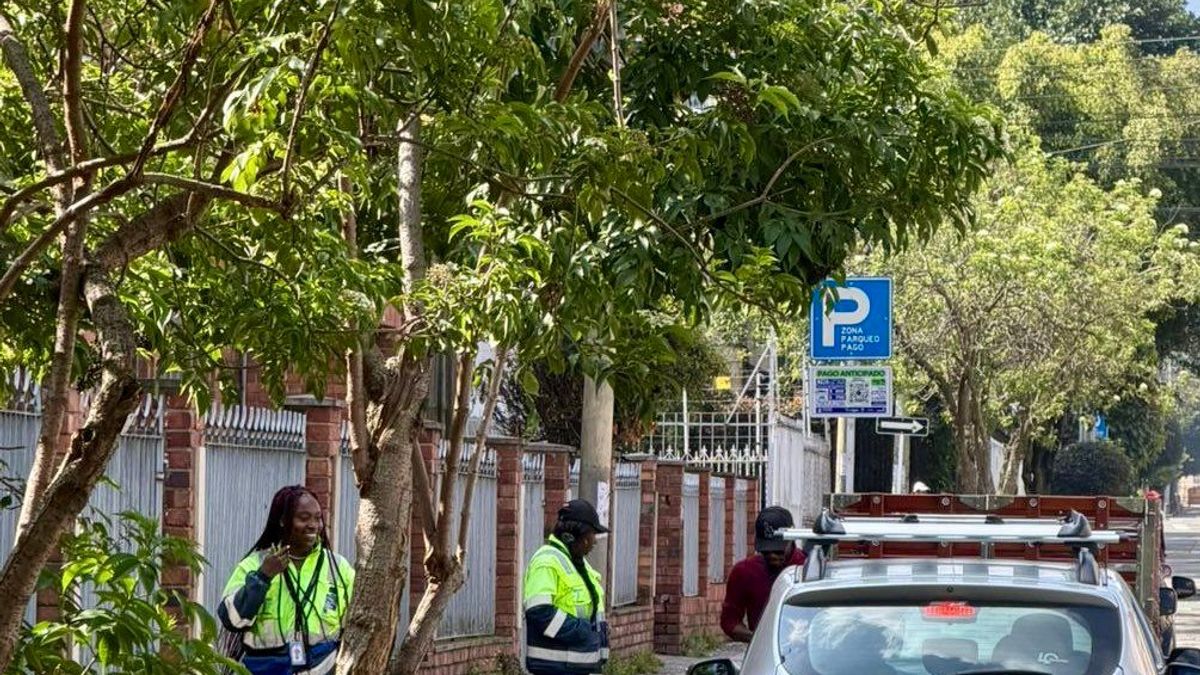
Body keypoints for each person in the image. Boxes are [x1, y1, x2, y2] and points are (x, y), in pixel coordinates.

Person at [217, 485, 354, 675]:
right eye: (304, 518)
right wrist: (263, 577)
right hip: (264, 668)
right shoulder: (254, 564)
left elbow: (356, 625)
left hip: (322, 667)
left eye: (317, 518)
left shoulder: (338, 567)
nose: (314, 525)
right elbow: (231, 620)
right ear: (283, 520)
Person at [523, 499, 611, 674]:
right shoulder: (546, 562)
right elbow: (539, 612)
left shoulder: (578, 564)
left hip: (577, 667)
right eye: (592, 534)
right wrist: (584, 631)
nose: (594, 542)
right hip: (555, 668)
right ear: (576, 535)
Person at [720, 505, 807, 643]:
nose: (772, 555)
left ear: (791, 538)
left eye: (778, 550)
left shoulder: (809, 569)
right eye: (765, 551)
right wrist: (759, 640)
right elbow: (730, 622)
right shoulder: (744, 572)